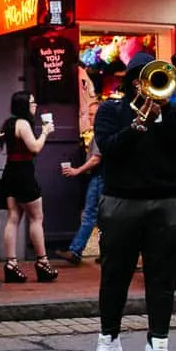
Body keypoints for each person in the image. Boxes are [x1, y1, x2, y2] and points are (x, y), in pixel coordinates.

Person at [87, 52, 176, 351]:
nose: (146, 84)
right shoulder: (111, 110)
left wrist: (162, 115)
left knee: (161, 278)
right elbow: (109, 148)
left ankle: (158, 347)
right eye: (141, 77)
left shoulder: (174, 111)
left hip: (166, 202)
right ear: (133, 82)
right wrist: (138, 124)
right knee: (114, 276)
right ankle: (108, 341)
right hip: (121, 202)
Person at [0, 90, 57, 284]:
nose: (35, 105)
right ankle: (42, 263)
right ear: (24, 105)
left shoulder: (8, 123)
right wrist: (45, 132)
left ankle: (11, 264)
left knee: (14, 217)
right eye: (32, 102)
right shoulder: (22, 124)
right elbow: (35, 148)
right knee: (36, 218)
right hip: (24, 173)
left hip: (10, 172)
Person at [56, 101, 103, 265]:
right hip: (102, 176)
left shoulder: (100, 133)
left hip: (99, 177)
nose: (89, 117)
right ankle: (105, 252)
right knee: (102, 216)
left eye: (92, 114)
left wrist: (77, 170)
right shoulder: (103, 131)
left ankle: (76, 250)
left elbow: (96, 159)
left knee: (90, 214)